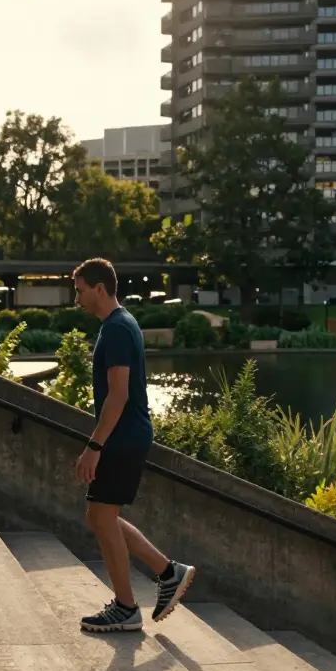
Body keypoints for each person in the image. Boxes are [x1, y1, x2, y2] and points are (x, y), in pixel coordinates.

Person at [70, 258, 195, 633]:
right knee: (102, 516)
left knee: (99, 516)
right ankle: (168, 572)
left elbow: (119, 395)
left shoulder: (118, 330)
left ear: (100, 288)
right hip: (125, 436)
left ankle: (126, 607)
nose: (77, 299)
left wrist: (95, 446)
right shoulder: (119, 325)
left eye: (80, 291)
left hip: (122, 439)